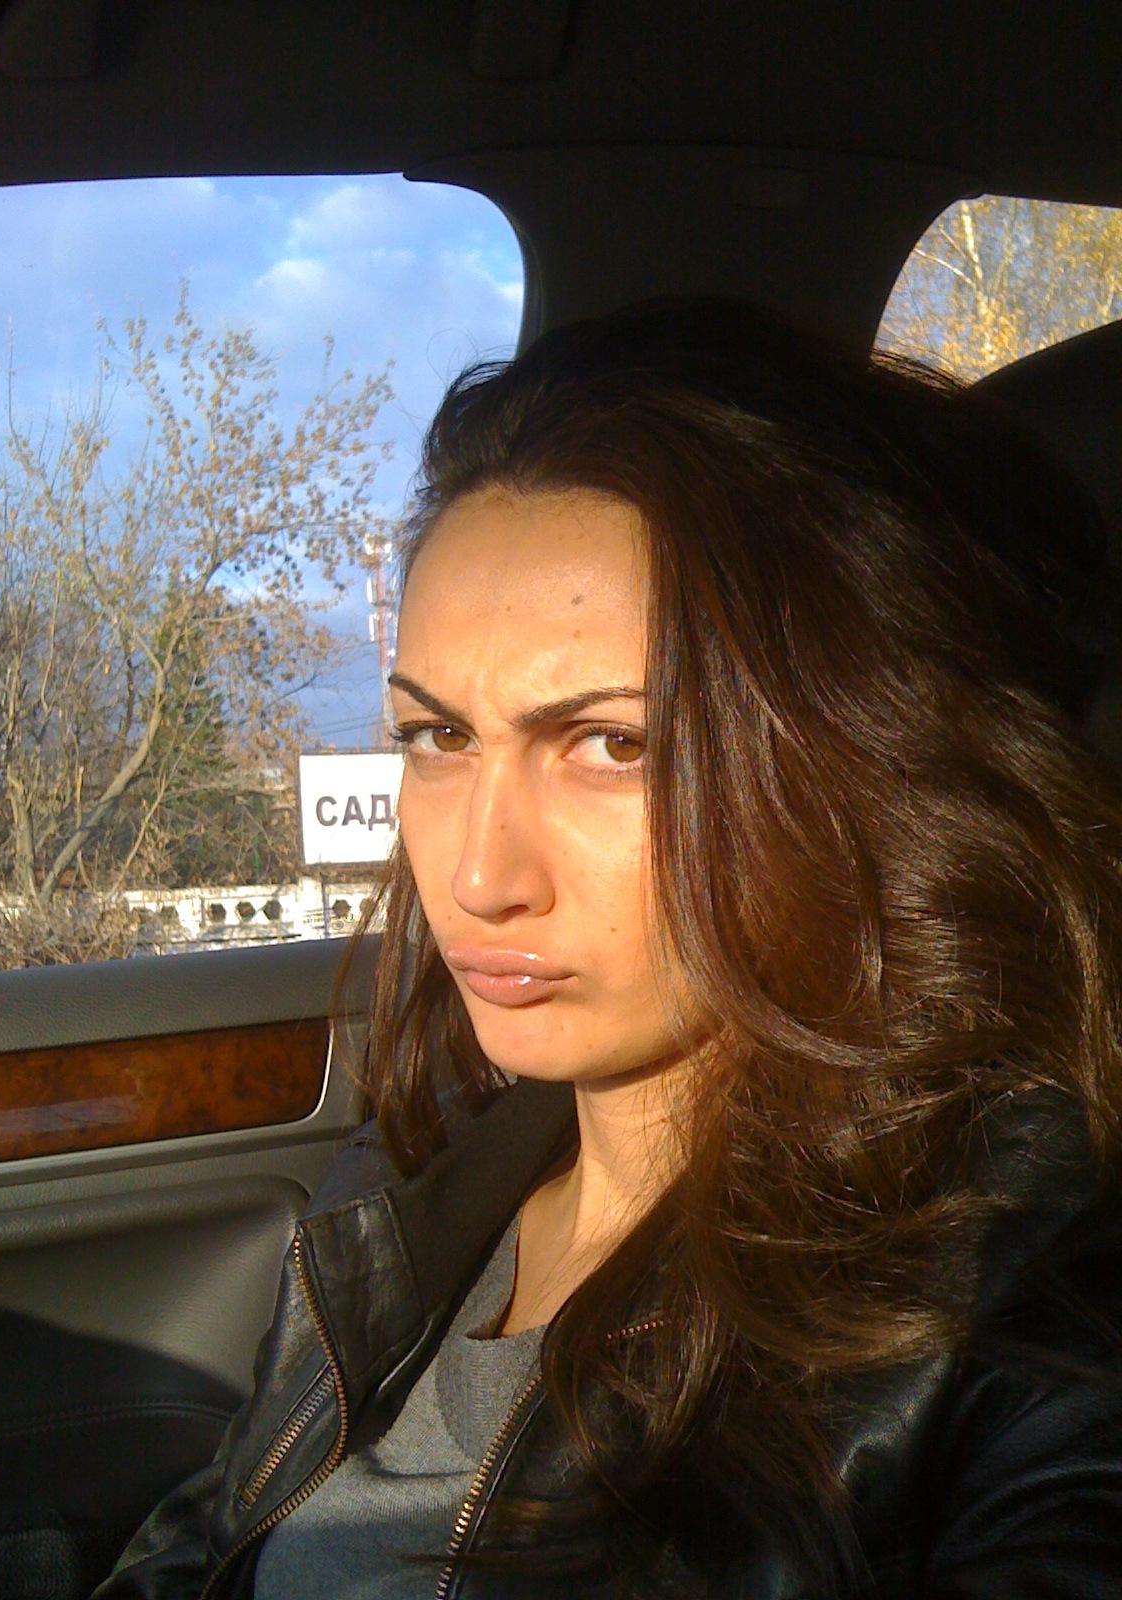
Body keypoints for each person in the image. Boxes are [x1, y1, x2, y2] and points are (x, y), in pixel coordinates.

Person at [95, 300, 1122, 1600]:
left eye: (614, 744)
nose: (479, 880)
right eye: (439, 737)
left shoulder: (1008, 1306)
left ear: (868, 764)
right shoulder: (427, 1175)